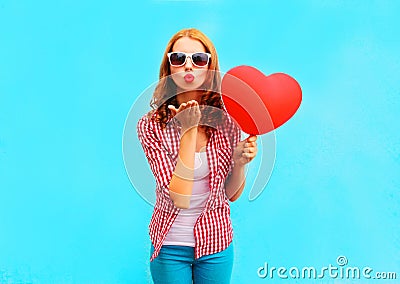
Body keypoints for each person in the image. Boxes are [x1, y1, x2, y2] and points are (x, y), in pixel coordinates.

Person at [137, 28, 258, 283]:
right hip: (170, 247)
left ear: (209, 66)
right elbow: (179, 198)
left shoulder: (227, 121)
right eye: (179, 58)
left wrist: (239, 165)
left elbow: (231, 195)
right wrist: (189, 132)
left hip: (217, 242)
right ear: (169, 66)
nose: (188, 66)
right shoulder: (150, 126)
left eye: (199, 59)